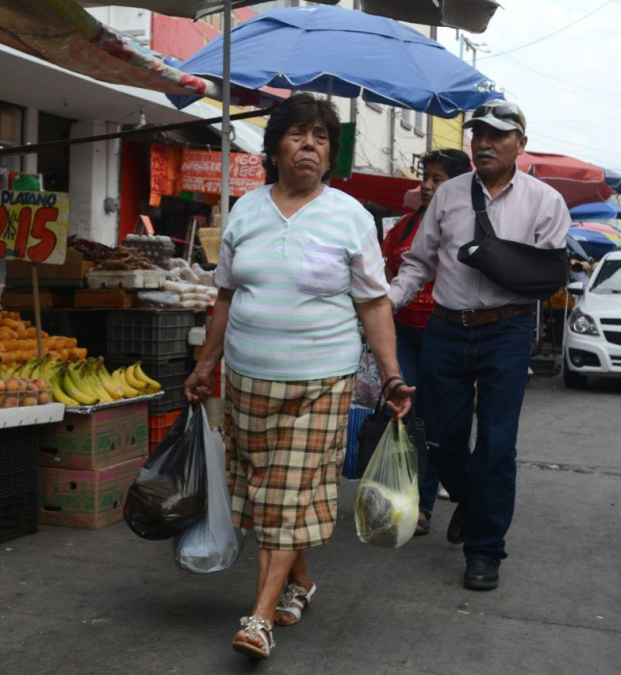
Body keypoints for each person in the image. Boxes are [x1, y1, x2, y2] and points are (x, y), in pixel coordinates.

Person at [184, 93, 413, 661]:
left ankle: (258, 618)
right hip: (246, 379)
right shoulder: (245, 210)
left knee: (285, 496)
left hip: (321, 380)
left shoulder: (350, 215)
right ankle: (300, 583)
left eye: (320, 138)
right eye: (297, 134)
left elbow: (375, 304)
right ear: (275, 146)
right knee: (269, 497)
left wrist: (390, 375)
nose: (309, 145)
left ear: (330, 154)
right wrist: (206, 364)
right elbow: (226, 295)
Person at [388, 100, 571, 591]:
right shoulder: (447, 195)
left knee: (496, 444)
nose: (485, 143)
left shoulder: (545, 201)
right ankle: (472, 500)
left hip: (507, 332)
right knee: (440, 438)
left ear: (520, 144)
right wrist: (386, 304)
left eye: (498, 135)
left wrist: (506, 266)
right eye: (478, 134)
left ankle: (485, 550)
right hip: (446, 330)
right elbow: (418, 263)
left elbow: (547, 276)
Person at [380, 148, 472, 536]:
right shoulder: (402, 227)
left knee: (435, 423)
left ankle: (430, 504)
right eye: (426, 177)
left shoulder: (468, 225)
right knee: (406, 417)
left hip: (445, 333)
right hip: (402, 332)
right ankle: (402, 500)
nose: (429, 186)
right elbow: (384, 273)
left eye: (438, 178)